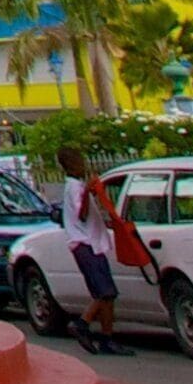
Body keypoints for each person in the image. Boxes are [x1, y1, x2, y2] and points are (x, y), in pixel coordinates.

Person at [54, 146, 129, 356]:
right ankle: (83, 323)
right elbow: (82, 214)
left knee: (106, 295)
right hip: (85, 244)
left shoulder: (74, 186)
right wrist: (89, 192)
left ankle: (107, 338)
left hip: (92, 243)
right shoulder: (75, 188)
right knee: (105, 292)